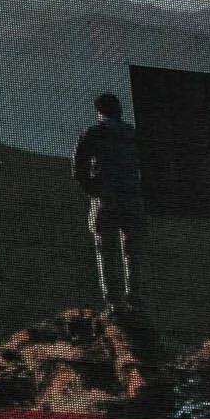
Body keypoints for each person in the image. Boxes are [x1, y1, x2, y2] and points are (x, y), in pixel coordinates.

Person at [71, 91, 146, 312]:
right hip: (132, 197)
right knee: (133, 251)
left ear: (99, 112)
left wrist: (92, 189)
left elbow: (78, 168)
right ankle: (135, 298)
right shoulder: (133, 134)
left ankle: (114, 302)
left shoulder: (94, 133)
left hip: (106, 197)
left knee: (106, 249)